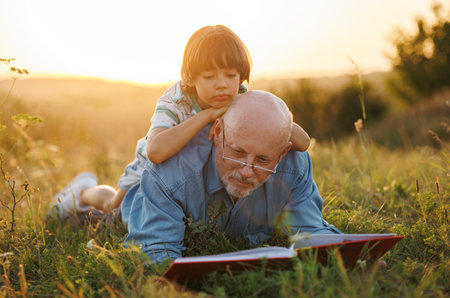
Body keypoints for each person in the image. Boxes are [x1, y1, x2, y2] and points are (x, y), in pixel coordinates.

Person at [50, 25, 311, 218]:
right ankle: (82, 191)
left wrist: (271, 114)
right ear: (191, 78)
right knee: (112, 209)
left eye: (230, 75)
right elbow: (156, 152)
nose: (221, 84)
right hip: (152, 171)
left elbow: (302, 142)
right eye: (209, 76)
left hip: (194, 171)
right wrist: (207, 115)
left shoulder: (240, 98)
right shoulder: (175, 102)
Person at [121, 90, 341, 263]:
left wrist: (359, 259)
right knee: (106, 209)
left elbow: (313, 234)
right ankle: (88, 193)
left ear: (282, 152)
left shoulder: (294, 165)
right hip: (137, 204)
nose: (246, 171)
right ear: (218, 133)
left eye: (263, 160)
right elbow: (156, 254)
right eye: (237, 152)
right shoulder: (172, 172)